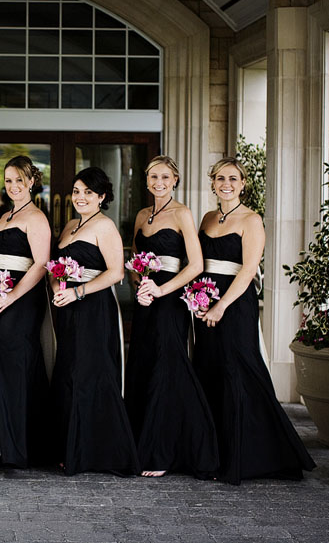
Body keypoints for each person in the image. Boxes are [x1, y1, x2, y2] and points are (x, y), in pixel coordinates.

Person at [194, 157, 316, 484]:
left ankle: (252, 456)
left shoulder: (252, 219)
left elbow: (249, 270)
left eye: (233, 178)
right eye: (220, 178)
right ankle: (213, 452)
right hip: (205, 301)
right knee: (210, 370)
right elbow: (199, 262)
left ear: (243, 183)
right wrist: (198, 298)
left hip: (235, 304)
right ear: (213, 182)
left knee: (239, 371)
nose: (226, 184)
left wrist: (221, 307)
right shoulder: (207, 218)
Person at [125, 155, 219, 478]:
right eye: (153, 177)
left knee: (168, 371)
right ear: (147, 180)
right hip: (144, 301)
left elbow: (196, 265)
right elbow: (134, 259)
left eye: (165, 177)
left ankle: (163, 451)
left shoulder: (183, 214)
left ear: (175, 180)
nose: (159, 183)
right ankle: (139, 445)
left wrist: (161, 291)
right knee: (142, 367)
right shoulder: (141, 215)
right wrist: (139, 285)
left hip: (170, 302)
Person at [50, 167, 139, 476]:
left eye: (88, 192)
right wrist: (58, 290)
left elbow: (116, 273)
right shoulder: (70, 225)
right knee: (69, 374)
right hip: (68, 309)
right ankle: (70, 447)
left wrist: (78, 294)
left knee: (91, 376)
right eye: (77, 191)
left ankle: (99, 452)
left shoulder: (105, 226)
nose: (80, 197)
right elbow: (56, 267)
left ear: (102, 196)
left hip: (94, 308)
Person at [0, 155, 50, 468]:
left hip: (20, 301)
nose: (13, 187)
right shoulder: (5, 215)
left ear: (32, 182)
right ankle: (5, 444)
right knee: (1, 368)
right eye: (8, 181)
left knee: (18, 366)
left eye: (19, 181)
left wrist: (10, 298)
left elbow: (40, 264)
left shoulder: (36, 218)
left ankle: (22, 449)